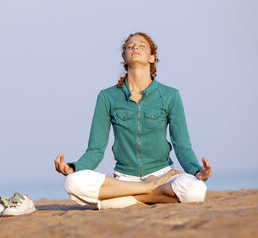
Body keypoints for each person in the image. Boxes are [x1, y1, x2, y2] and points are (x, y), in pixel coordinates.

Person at [54, 32, 212, 210]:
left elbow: (182, 147)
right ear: (124, 56)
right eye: (130, 46)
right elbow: (95, 150)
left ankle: (129, 198)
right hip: (124, 179)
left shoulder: (170, 95)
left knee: (197, 190)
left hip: (163, 175)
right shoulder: (107, 97)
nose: (135, 47)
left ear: (152, 57)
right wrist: (73, 168)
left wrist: (197, 171)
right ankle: (147, 191)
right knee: (72, 182)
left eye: (141, 45)